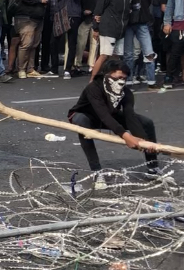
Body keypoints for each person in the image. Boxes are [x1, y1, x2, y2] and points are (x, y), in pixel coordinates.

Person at [67, 57, 160, 187]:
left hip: (110, 116)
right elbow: (103, 114)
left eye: (124, 78)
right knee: (83, 124)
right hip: (86, 115)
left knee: (146, 122)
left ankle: (153, 168)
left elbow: (129, 116)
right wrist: (126, 136)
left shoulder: (126, 93)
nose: (120, 82)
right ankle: (96, 172)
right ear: (106, 75)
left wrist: (142, 140)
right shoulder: (93, 88)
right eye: (117, 78)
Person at [91, 0, 129, 80]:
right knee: (104, 55)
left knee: (116, 56)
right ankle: (92, 79)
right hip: (108, 28)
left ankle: (113, 78)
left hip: (120, 29)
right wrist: (96, 28)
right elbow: (98, 10)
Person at [122, 0, 158, 86]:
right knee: (128, 54)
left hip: (143, 22)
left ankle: (151, 80)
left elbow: (148, 1)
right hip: (128, 22)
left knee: (149, 52)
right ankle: (128, 79)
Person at [11, 0, 47, 79]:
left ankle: (30, 69)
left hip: (36, 18)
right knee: (26, 44)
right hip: (27, 18)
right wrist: (40, 0)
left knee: (33, 45)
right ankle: (21, 69)